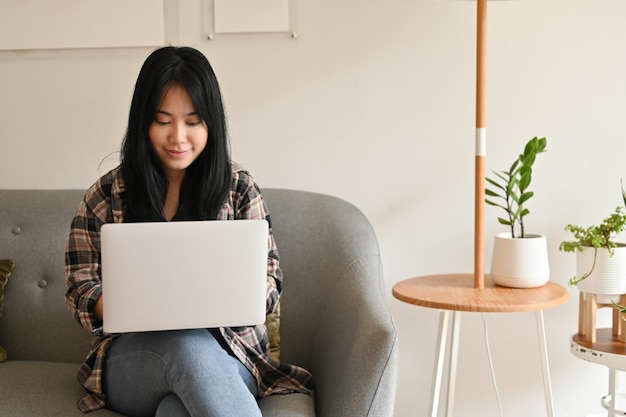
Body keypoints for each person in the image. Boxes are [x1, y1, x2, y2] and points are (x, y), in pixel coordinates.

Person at [65, 46, 314, 416]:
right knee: (185, 347)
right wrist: (128, 303)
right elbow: (80, 287)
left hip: (230, 356)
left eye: (193, 121)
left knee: (175, 410)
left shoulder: (239, 189)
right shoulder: (107, 195)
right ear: (142, 122)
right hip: (132, 361)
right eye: (163, 121)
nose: (178, 137)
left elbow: (270, 281)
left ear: (211, 122)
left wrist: (237, 297)